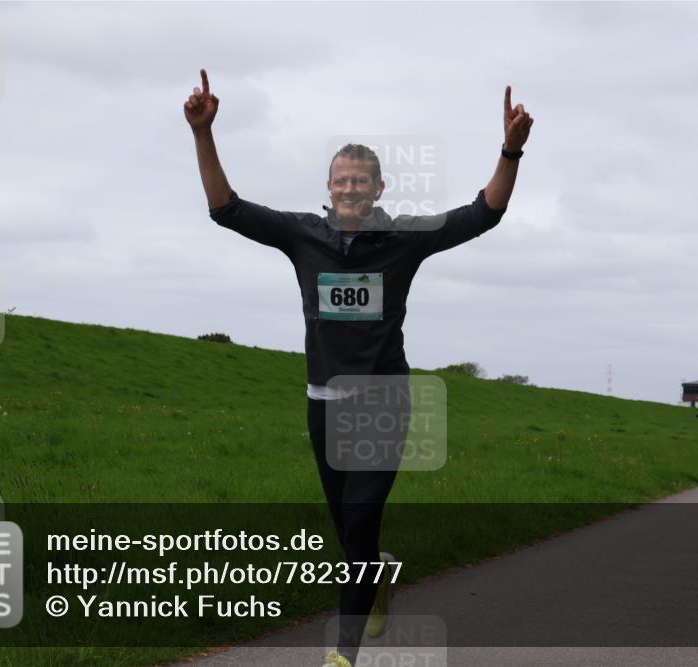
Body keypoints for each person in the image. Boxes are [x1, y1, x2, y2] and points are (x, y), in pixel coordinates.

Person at [184, 69, 533, 667]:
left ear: (378, 188)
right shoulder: (302, 235)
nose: (350, 187)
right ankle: (376, 573)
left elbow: (484, 213)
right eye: (341, 179)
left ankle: (342, 655)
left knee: (360, 517)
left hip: (382, 404)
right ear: (329, 186)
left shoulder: (404, 238)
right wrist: (202, 134)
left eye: (360, 180)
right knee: (351, 536)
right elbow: (226, 209)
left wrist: (510, 151)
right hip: (322, 403)